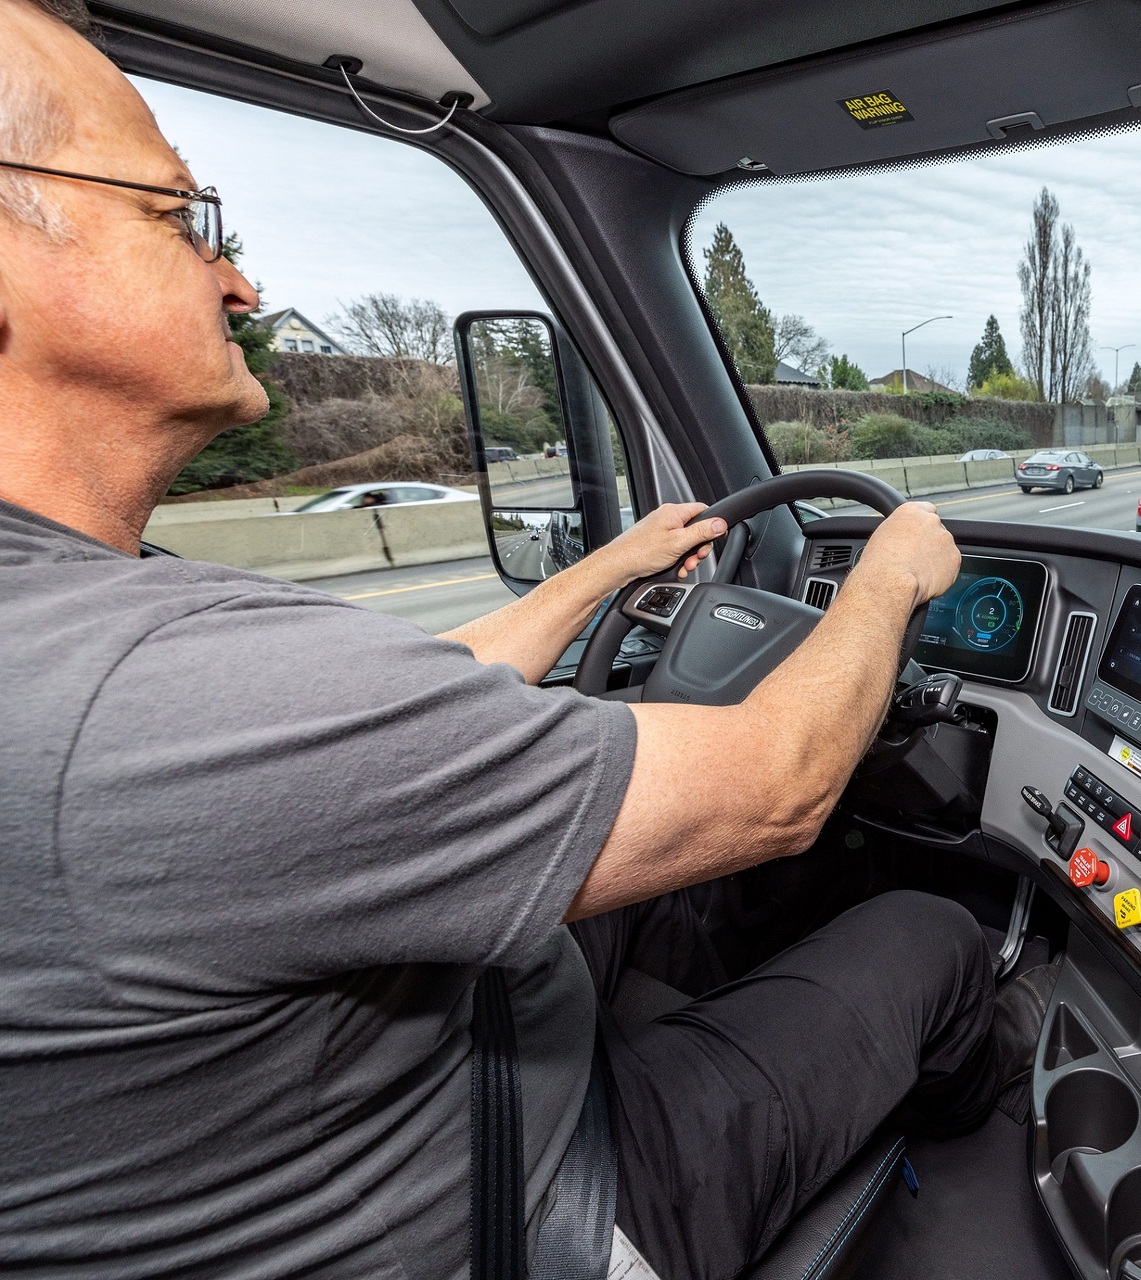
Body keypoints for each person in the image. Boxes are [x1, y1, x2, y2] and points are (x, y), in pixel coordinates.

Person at [0, 2, 1053, 1276]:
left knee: (688, 895)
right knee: (935, 937)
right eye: (174, 217)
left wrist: (608, 566)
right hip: (539, 1210)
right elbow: (775, 785)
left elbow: (395, 710)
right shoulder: (138, 689)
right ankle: (1000, 1169)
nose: (237, 279)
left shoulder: (76, 630)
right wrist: (887, 581)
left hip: (408, 1095)